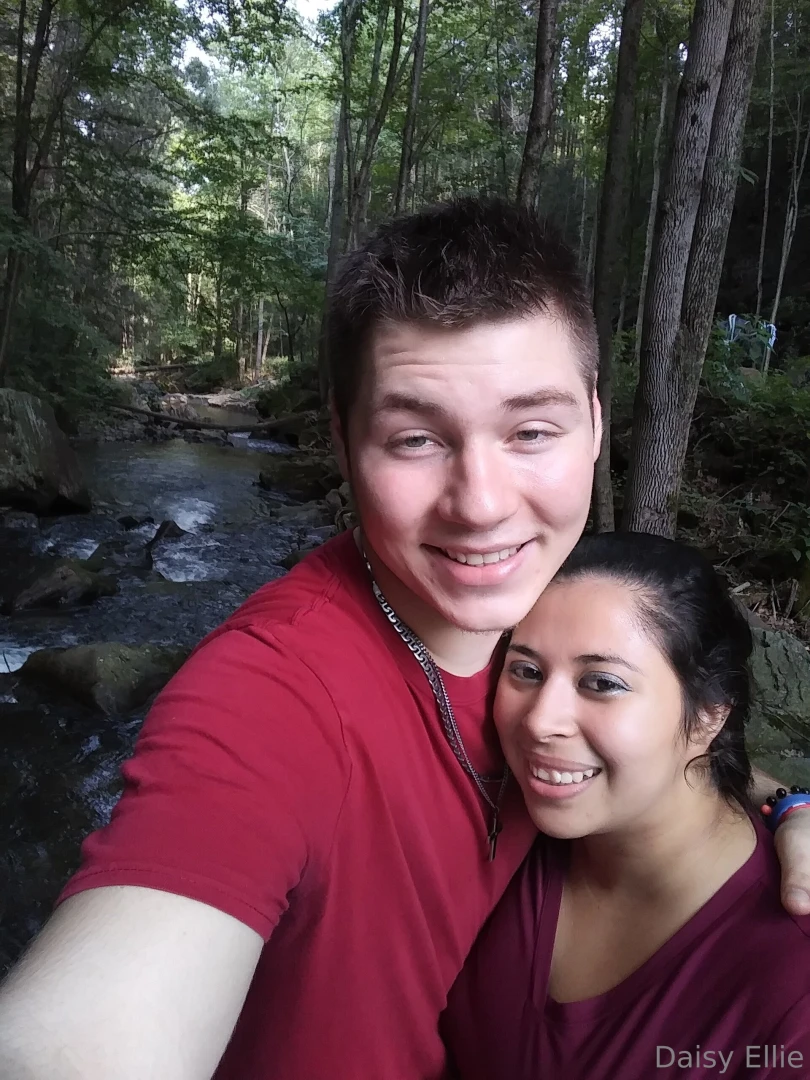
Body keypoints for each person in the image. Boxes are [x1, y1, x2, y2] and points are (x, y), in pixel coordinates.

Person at [0, 199, 808, 1080]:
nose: (482, 505)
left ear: (595, 427)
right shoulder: (272, 694)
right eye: (416, 439)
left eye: (532, 431)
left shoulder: (539, 620)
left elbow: (661, 728)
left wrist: (786, 802)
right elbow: (81, 1039)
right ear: (343, 442)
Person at [442, 532, 810, 1080]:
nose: (540, 721)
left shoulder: (790, 987)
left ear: (710, 715)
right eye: (527, 671)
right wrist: (793, 804)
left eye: (602, 682)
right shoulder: (502, 819)